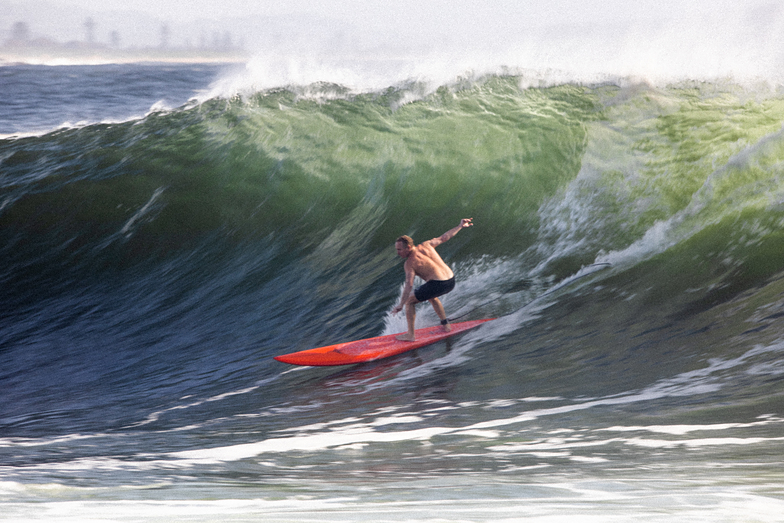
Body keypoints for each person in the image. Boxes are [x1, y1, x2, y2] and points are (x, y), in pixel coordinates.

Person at [391, 218, 473, 341]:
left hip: (439, 284)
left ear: (408, 247)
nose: (397, 253)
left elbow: (409, 284)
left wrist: (401, 304)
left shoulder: (409, 263)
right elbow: (445, 237)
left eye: (399, 249)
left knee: (410, 301)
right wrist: (460, 226)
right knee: (431, 295)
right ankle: (446, 325)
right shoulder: (426, 245)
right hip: (451, 279)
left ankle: (410, 335)